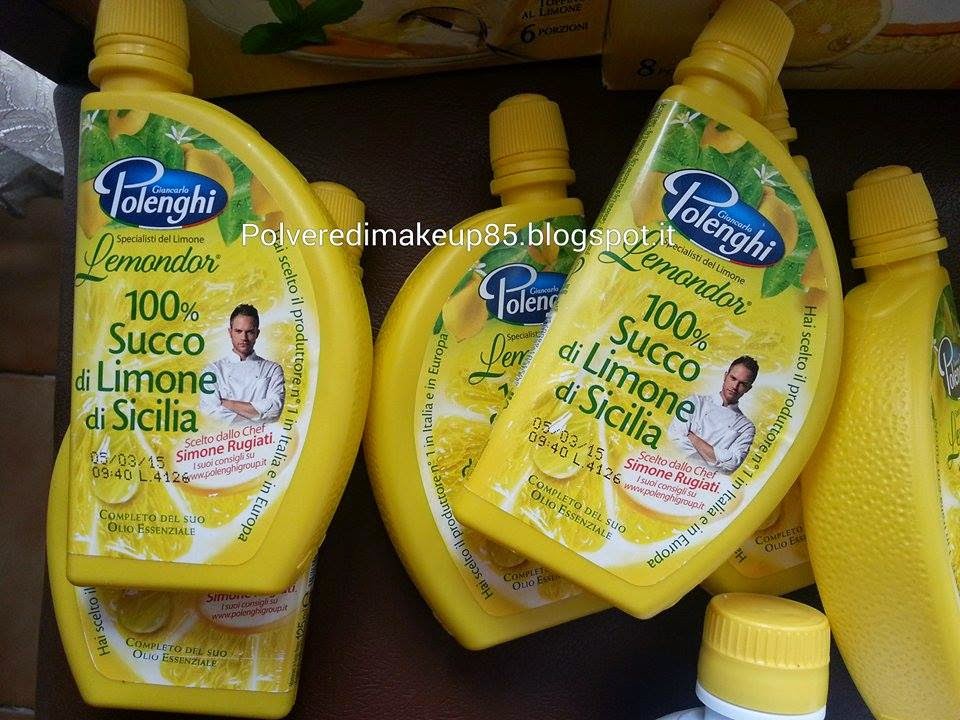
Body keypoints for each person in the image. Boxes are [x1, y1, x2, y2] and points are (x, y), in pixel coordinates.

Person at [668, 356, 758, 473]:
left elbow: (732, 464)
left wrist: (692, 437)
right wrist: (711, 462)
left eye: (742, 384)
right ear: (725, 376)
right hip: (672, 468)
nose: (735, 386)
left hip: (705, 481)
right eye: (733, 378)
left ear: (748, 389)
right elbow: (674, 438)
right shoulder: (694, 402)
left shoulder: (746, 427)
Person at [200, 304, 285, 424]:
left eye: (249, 332)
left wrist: (227, 403)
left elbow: (274, 411)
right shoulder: (212, 370)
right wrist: (256, 417)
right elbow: (210, 413)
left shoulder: (272, 369)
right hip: (225, 435)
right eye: (238, 331)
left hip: (262, 436)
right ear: (230, 332)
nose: (244, 337)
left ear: (257, 333)